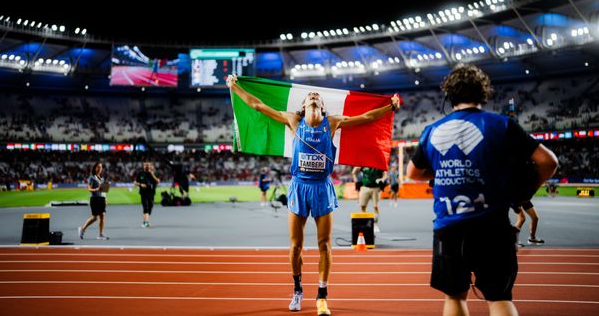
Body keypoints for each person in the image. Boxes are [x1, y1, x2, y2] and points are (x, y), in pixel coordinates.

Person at [227, 74, 400, 315]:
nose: (314, 96)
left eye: (317, 96)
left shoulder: (332, 123)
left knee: (324, 246)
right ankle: (297, 290)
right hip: (299, 186)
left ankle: (322, 295)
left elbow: (367, 117)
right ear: (304, 105)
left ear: (322, 106)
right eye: (310, 96)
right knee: (296, 246)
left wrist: (389, 106)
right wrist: (234, 87)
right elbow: (258, 105)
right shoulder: (293, 121)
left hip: (321, 187)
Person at [406, 64, 558, 316]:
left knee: (454, 297)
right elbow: (548, 162)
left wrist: (446, 169)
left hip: (449, 227)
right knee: (499, 298)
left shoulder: (431, 131)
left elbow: (413, 173)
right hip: (493, 227)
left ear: (449, 95)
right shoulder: (502, 125)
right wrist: (525, 192)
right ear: (483, 93)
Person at [78, 162, 109, 240]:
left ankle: (100, 234)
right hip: (95, 199)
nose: (100, 168)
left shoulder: (101, 178)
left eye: (101, 167)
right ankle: (82, 229)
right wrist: (96, 189)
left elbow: (103, 190)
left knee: (102, 216)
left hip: (101, 199)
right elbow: (89, 188)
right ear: (95, 168)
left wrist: (105, 198)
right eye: (98, 167)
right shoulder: (92, 177)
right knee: (94, 218)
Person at [352, 166, 388, 232]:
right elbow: (354, 172)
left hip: (376, 188)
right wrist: (356, 180)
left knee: (376, 206)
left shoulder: (378, 163)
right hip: (365, 187)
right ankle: (364, 223)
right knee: (362, 206)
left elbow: (385, 175)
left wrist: (382, 179)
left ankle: (375, 224)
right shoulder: (364, 163)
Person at [134, 162, 160, 228]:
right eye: (145, 165)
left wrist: (152, 174)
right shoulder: (140, 174)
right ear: (143, 166)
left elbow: (158, 181)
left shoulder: (153, 173)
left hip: (151, 193)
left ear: (150, 166)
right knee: (146, 207)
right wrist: (140, 184)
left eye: (148, 165)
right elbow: (135, 182)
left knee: (150, 208)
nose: (146, 166)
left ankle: (146, 220)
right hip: (143, 193)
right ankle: (145, 222)